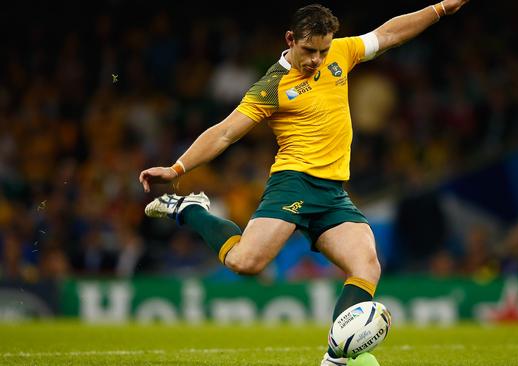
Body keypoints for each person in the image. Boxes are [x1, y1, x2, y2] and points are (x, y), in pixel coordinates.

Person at [139, 2, 470, 365]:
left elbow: (389, 34)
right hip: (293, 184)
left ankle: (334, 360)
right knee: (245, 263)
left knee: (367, 264)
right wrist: (176, 168)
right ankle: (189, 209)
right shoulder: (272, 86)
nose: (316, 59)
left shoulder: (341, 53)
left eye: (322, 50)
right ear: (290, 39)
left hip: (332, 193)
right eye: (309, 50)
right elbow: (225, 133)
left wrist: (440, 8)